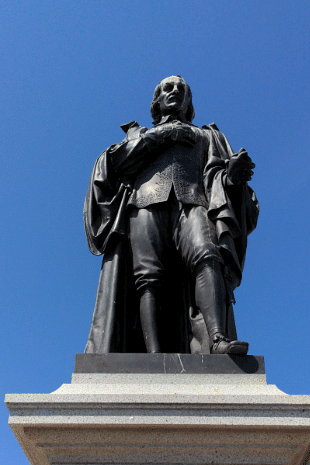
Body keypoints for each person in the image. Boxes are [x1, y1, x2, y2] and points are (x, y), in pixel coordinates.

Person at [84, 76, 259, 355]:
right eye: (168, 88)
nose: (175, 90)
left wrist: (232, 177)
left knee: (207, 255)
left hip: (193, 202)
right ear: (157, 101)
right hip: (144, 204)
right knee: (148, 276)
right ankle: (153, 355)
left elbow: (216, 178)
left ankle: (217, 340)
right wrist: (163, 134)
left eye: (182, 88)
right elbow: (117, 163)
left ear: (189, 102)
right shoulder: (137, 135)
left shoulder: (207, 135)